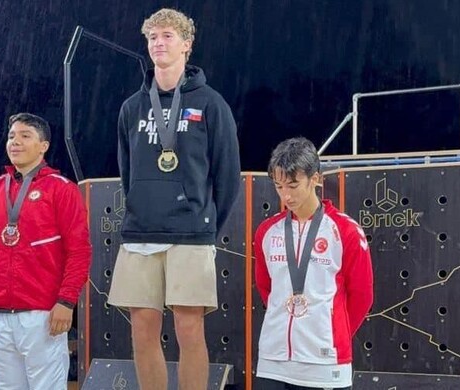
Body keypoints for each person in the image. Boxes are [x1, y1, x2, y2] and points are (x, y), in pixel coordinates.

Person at [108, 8, 241, 390]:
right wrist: (141, 207)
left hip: (190, 233)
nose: (158, 43)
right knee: (142, 332)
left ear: (187, 45)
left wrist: (204, 220)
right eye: (152, 37)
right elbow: (127, 172)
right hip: (140, 234)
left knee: (189, 329)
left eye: (167, 36)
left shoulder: (211, 104)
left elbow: (227, 177)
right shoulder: (132, 107)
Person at [0, 112, 92, 389]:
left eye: (25, 136)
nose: (15, 142)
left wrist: (66, 302)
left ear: (43, 146)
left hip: (43, 315)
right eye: (11, 136)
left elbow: (79, 251)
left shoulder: (62, 189)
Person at [253, 137, 374, 389]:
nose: (286, 195)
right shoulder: (267, 231)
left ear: (316, 178)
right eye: (279, 186)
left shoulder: (346, 231)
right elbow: (266, 288)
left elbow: (362, 296)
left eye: (294, 185)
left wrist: (331, 332)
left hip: (324, 363)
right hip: (272, 361)